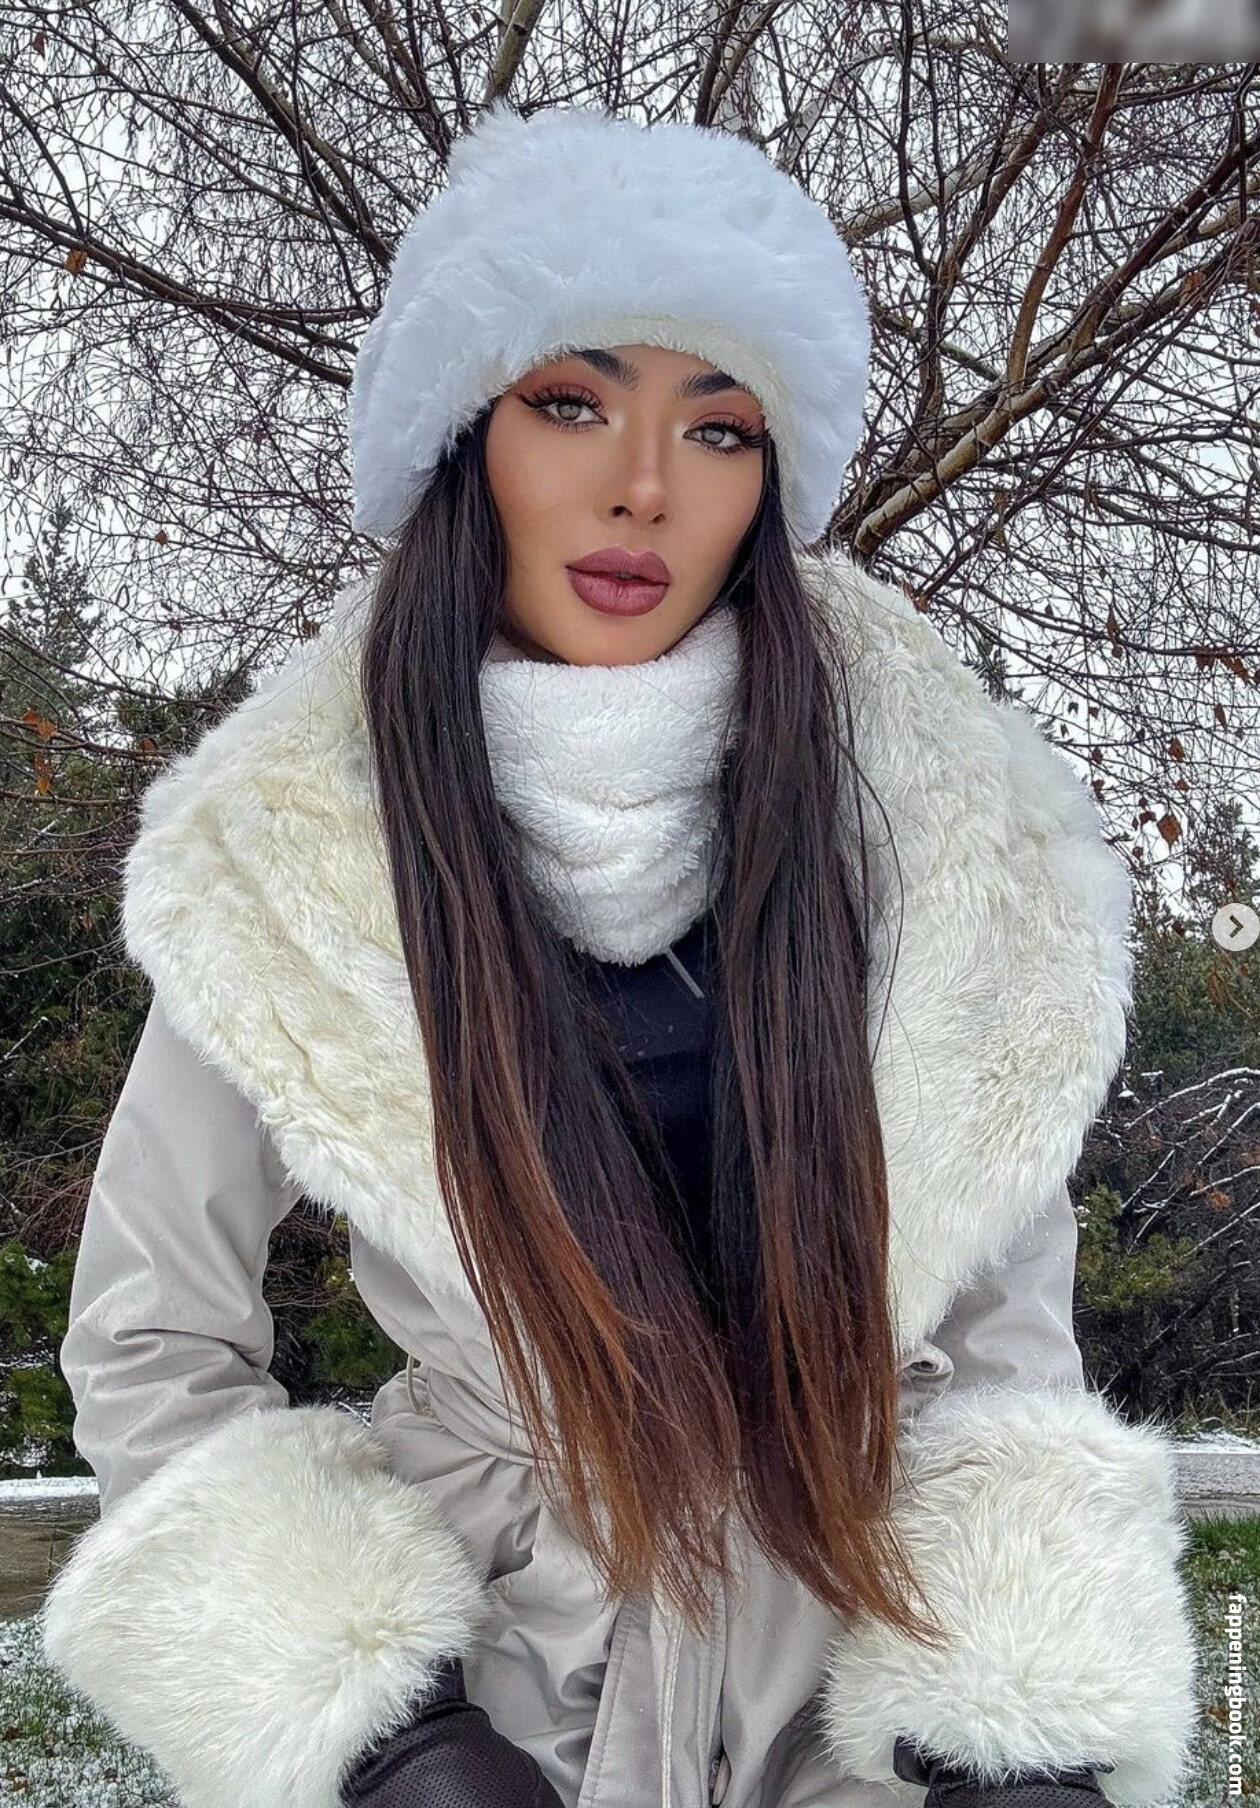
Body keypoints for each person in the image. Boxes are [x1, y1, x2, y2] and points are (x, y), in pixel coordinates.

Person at [39, 101, 1197, 1808]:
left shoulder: (946, 843)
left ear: (766, 489)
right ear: (465, 441)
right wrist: (375, 1730)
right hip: (499, 1703)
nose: (644, 485)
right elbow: (152, 1338)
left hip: (853, 1698)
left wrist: (1019, 1713)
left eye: (719, 431)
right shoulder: (290, 860)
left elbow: (1000, 1331)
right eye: (571, 404)